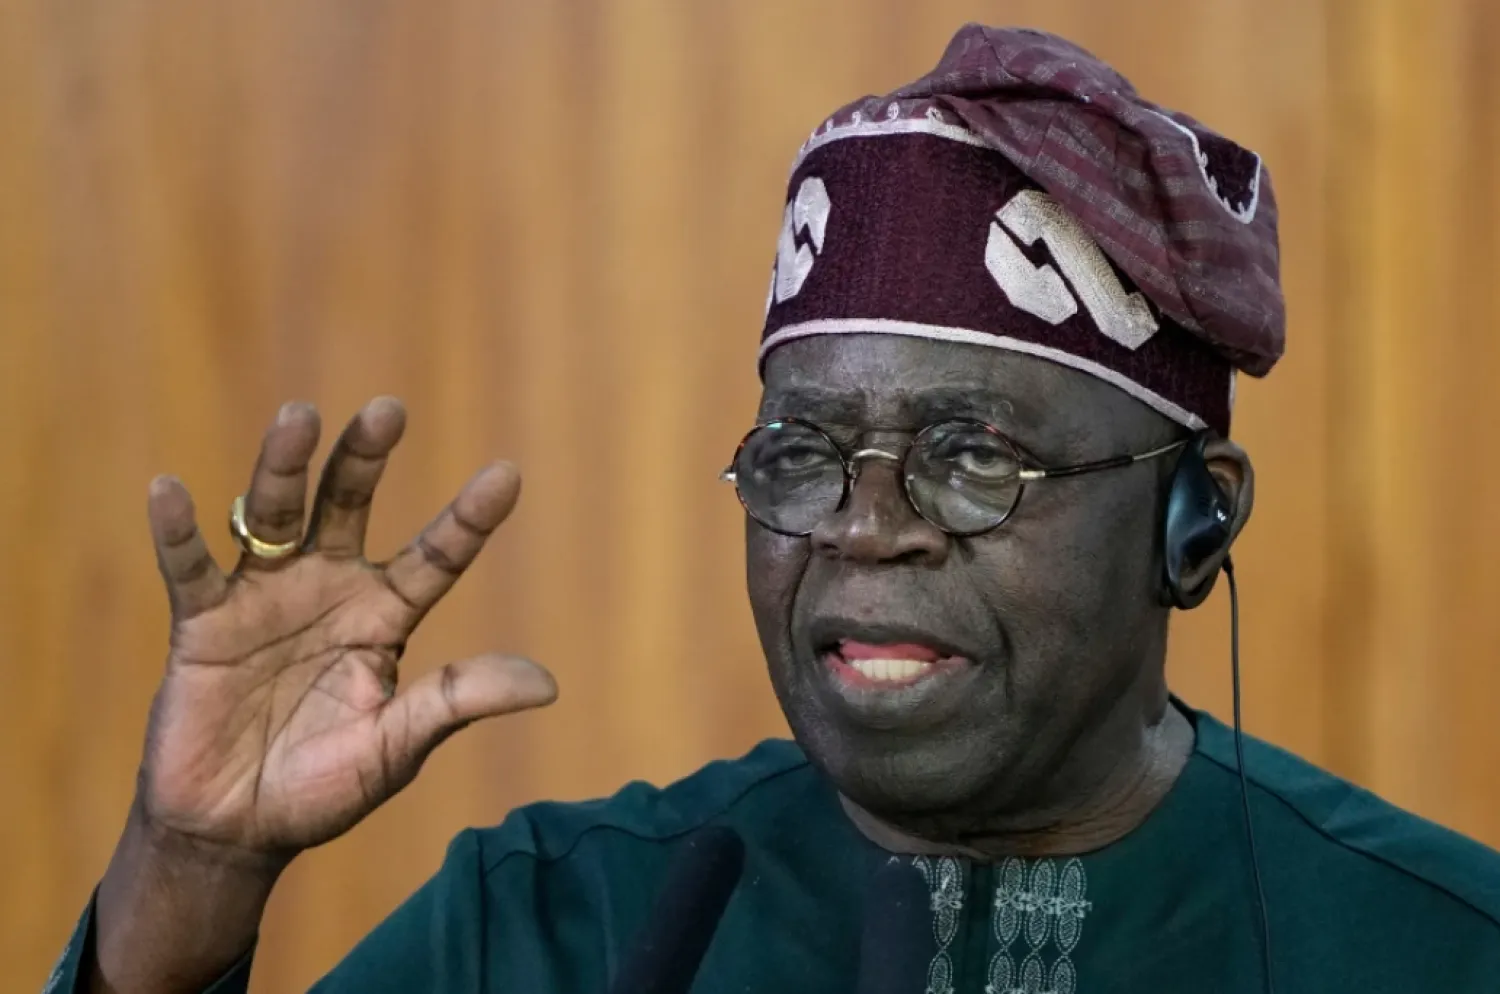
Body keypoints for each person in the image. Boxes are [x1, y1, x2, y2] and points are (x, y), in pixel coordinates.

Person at [47, 23, 1500, 994]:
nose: (866, 526)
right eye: (803, 450)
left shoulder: (1433, 946)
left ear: (1195, 521)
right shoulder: (567, 924)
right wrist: (191, 871)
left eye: (973, 452)